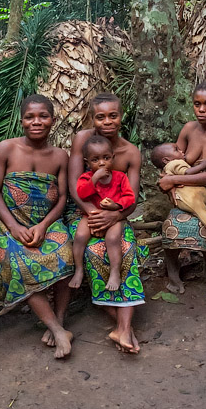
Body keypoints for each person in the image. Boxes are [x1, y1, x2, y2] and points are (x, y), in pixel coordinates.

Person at [0, 94, 75, 359]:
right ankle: (57, 330)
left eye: (43, 116)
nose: (36, 122)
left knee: (66, 254)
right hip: (8, 223)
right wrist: (13, 226)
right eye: (30, 117)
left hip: (47, 223)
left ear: (52, 119)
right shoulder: (6, 148)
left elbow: (62, 198)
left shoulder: (61, 156)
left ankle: (59, 319)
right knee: (16, 260)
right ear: (22, 119)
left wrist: (44, 225)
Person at [68, 93, 145, 353]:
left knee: (126, 250)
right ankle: (124, 328)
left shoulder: (131, 152)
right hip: (84, 211)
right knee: (92, 250)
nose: (107, 122)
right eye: (100, 116)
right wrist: (93, 214)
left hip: (116, 215)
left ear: (122, 117)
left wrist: (113, 216)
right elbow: (74, 186)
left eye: (113, 115)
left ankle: (123, 329)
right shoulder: (82, 140)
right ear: (92, 118)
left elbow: (131, 200)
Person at [159, 82, 206, 294]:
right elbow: (171, 165)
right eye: (197, 104)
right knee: (170, 223)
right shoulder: (188, 129)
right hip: (187, 190)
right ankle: (173, 271)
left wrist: (173, 181)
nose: (201, 110)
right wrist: (169, 182)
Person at [72, 135, 136, 292]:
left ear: (113, 158)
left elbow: (130, 197)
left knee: (113, 238)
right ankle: (78, 269)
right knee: (80, 236)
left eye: (106, 158)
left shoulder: (120, 177)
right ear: (87, 162)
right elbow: (82, 194)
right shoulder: (85, 178)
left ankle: (115, 272)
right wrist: (94, 180)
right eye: (95, 160)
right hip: (91, 216)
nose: (102, 163)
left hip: (115, 217)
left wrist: (117, 206)